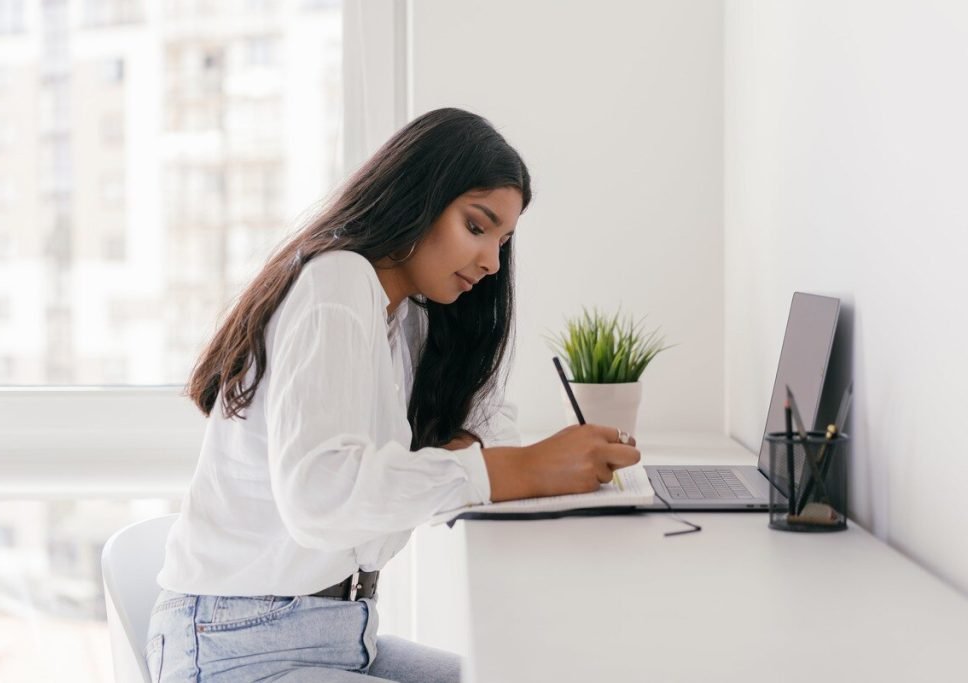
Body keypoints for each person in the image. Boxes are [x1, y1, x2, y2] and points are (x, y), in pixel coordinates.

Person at [145, 107, 641, 682]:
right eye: (476, 227)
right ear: (418, 197)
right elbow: (321, 499)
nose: (490, 261)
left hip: (337, 636)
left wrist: (489, 461)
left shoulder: (408, 319)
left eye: (503, 241)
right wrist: (517, 470)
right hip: (237, 644)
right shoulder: (337, 282)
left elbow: (491, 423)